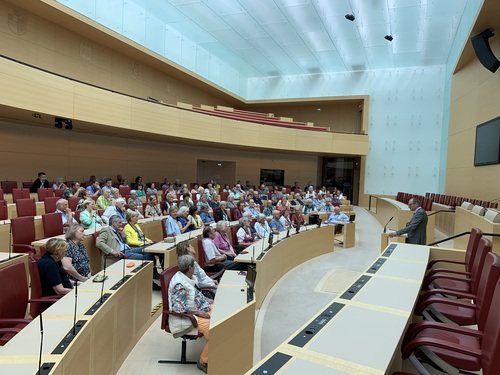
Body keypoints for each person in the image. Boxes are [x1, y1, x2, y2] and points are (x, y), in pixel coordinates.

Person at [168, 255, 212, 373]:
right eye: (194, 265)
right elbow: (178, 308)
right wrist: (199, 312)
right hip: (190, 318)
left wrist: (206, 300)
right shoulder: (179, 284)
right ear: (189, 267)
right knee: (216, 332)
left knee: (224, 317)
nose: (195, 267)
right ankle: (203, 361)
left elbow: (194, 293)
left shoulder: (187, 276)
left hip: (200, 309)